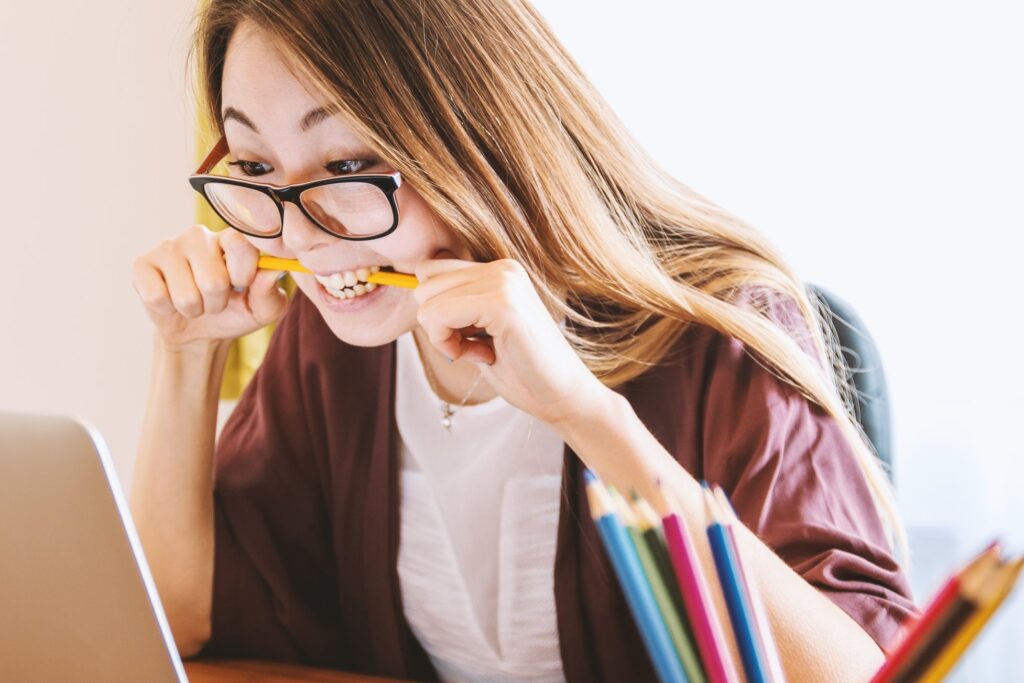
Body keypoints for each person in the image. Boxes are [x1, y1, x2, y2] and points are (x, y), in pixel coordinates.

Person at [129, 1, 918, 681]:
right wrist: (186, 354)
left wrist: (585, 413)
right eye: (259, 165)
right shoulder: (335, 342)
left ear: (476, 136)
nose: (301, 236)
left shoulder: (716, 332)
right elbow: (180, 621)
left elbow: (860, 672)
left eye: (346, 162)